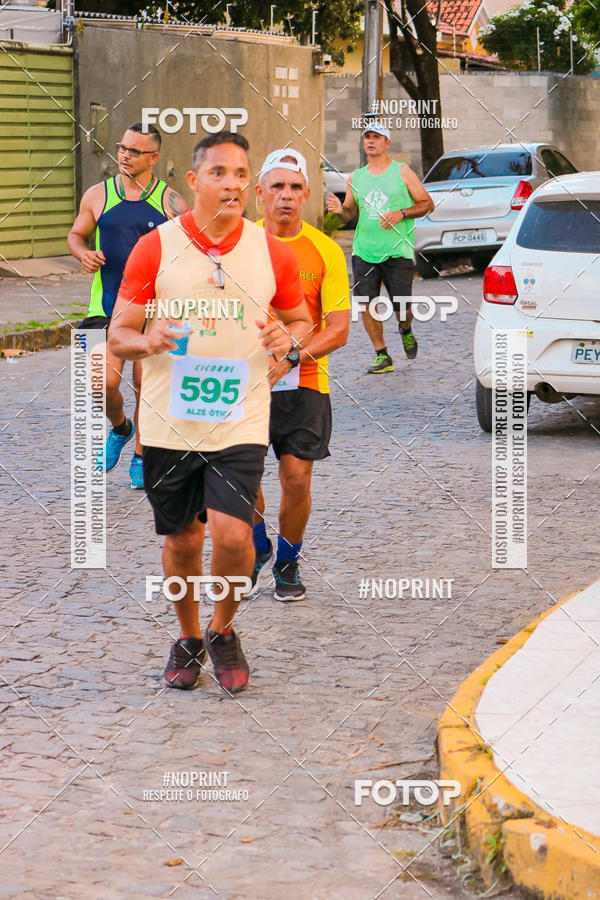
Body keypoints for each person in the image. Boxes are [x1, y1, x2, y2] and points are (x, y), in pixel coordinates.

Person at [107, 132, 312, 695]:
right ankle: (189, 636)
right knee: (181, 544)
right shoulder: (157, 248)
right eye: (218, 172)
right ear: (193, 182)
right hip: (168, 419)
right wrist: (145, 342)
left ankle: (224, 630)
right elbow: (118, 333)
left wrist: (286, 340)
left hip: (240, 415)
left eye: (241, 174)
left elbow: (300, 323)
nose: (232, 184)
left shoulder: (271, 250)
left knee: (232, 534)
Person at [250, 148, 350, 602]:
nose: (286, 196)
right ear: (259, 195)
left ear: (307, 194)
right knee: (239, 479)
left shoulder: (325, 249)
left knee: (296, 479)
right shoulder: (236, 245)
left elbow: (338, 330)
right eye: (277, 187)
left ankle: (288, 560)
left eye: (295, 188)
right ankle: (255, 546)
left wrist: (289, 358)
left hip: (304, 382)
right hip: (243, 382)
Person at [68, 122, 187, 488]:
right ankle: (121, 428)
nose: (124, 154)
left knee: (145, 384)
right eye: (122, 147)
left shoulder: (172, 202)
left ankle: (141, 454)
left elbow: (191, 250)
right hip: (106, 306)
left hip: (154, 310)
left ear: (154, 157)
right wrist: (83, 254)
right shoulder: (97, 195)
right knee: (99, 383)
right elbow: (76, 235)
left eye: (134, 150)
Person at [327, 122, 434, 374]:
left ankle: (405, 329)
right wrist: (339, 210)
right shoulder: (356, 177)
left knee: (402, 308)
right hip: (364, 250)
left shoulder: (402, 172)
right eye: (367, 137)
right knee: (366, 303)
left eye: (377, 137)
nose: (370, 141)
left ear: (387, 143)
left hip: (397, 250)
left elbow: (428, 204)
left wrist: (402, 213)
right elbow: (350, 213)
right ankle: (382, 355)